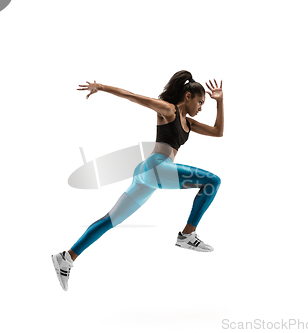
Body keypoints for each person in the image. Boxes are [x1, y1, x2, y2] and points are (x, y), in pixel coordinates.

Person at [51, 70, 224, 291]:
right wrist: (101, 87)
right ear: (188, 96)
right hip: (157, 168)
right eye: (200, 102)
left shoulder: (188, 124)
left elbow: (218, 132)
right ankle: (188, 234)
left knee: (110, 220)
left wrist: (220, 102)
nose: (201, 108)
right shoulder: (169, 111)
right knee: (212, 181)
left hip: (148, 175)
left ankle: (67, 257)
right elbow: (133, 96)